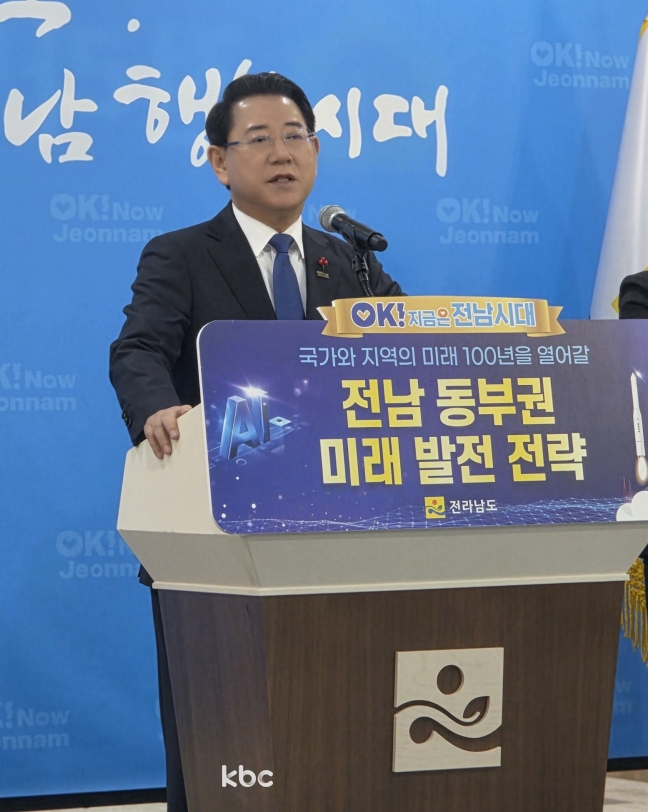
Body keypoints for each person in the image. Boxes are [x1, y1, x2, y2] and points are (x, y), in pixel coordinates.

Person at [109, 72, 404, 812]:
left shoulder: (352, 262)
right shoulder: (181, 254)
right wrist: (157, 407)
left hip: (342, 529)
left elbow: (404, 347)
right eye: (260, 139)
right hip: (218, 528)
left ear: (317, 150)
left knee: (336, 726)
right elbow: (138, 349)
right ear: (219, 161)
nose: (282, 153)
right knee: (222, 736)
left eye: (296, 136)